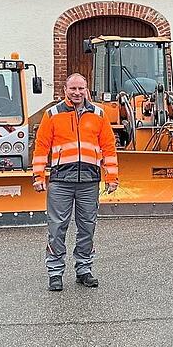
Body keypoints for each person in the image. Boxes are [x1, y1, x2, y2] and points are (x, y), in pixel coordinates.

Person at [32, 73, 119, 292]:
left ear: (86, 89)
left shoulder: (99, 114)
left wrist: (111, 177)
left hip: (89, 180)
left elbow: (108, 147)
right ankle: (55, 273)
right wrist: (38, 176)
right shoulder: (52, 114)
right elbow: (41, 146)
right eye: (73, 89)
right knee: (57, 227)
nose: (77, 93)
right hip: (61, 180)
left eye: (81, 88)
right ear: (65, 90)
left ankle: (84, 269)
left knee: (87, 227)